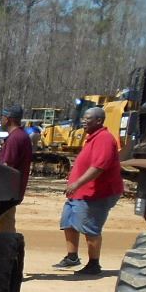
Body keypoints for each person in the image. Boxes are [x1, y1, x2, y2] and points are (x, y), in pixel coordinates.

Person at [54, 106, 123, 275]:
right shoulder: (92, 138)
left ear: (99, 121)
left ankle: (94, 264)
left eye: (88, 118)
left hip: (96, 193)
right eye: (83, 118)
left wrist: (76, 184)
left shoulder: (104, 139)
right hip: (79, 192)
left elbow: (98, 167)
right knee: (68, 222)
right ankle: (72, 257)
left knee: (90, 227)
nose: (83, 121)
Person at [0, 104, 32, 232]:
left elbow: (7, 167)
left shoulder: (15, 138)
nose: (1, 119)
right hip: (13, 189)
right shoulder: (21, 135)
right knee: (7, 221)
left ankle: (7, 248)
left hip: (8, 190)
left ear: (8, 118)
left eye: (2, 116)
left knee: (6, 223)